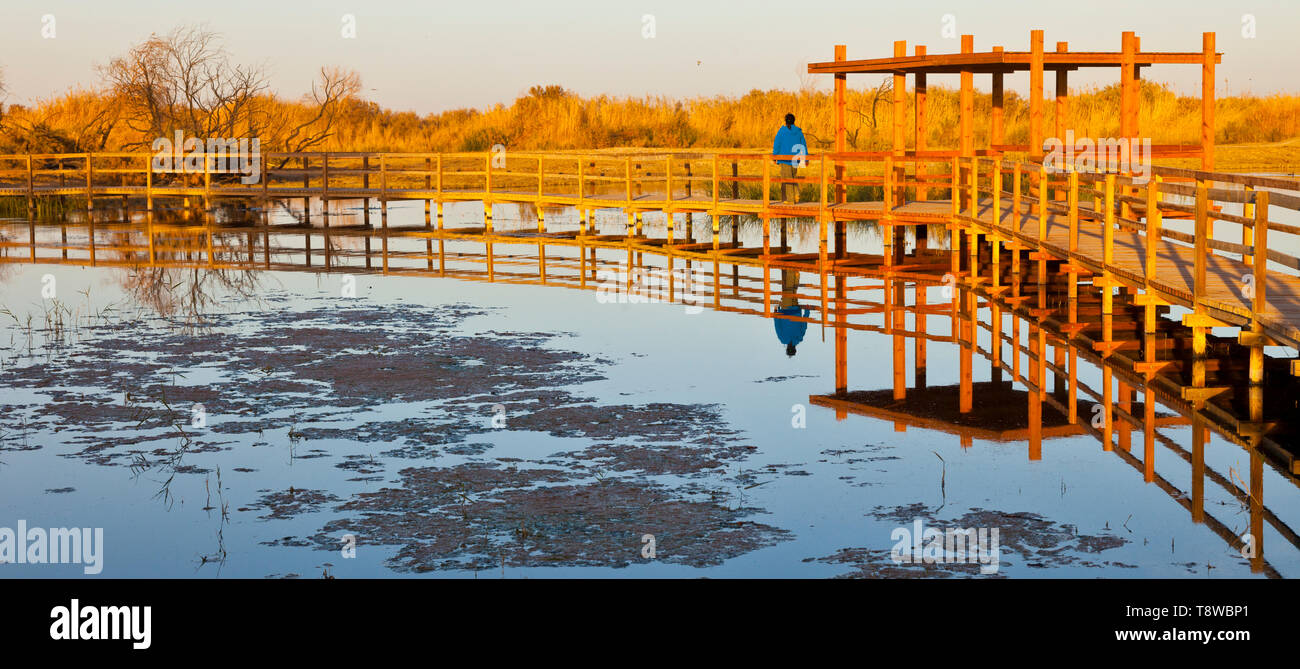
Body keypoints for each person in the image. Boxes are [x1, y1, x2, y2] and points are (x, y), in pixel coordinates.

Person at [772, 113, 806, 203]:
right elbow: (803, 145)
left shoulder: (782, 131)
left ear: (785, 121)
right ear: (794, 121)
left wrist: (774, 157)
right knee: (793, 177)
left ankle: (791, 199)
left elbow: (777, 144)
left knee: (787, 179)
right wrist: (805, 159)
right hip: (795, 160)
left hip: (784, 160)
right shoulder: (798, 131)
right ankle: (796, 194)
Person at [774, 268, 808, 357]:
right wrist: (775, 312)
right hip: (787, 309)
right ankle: (791, 269)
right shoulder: (784, 339)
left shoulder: (798, 338)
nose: (790, 347)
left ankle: (796, 272)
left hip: (794, 309)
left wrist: (807, 312)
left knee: (793, 291)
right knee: (789, 290)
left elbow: (804, 325)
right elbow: (777, 326)